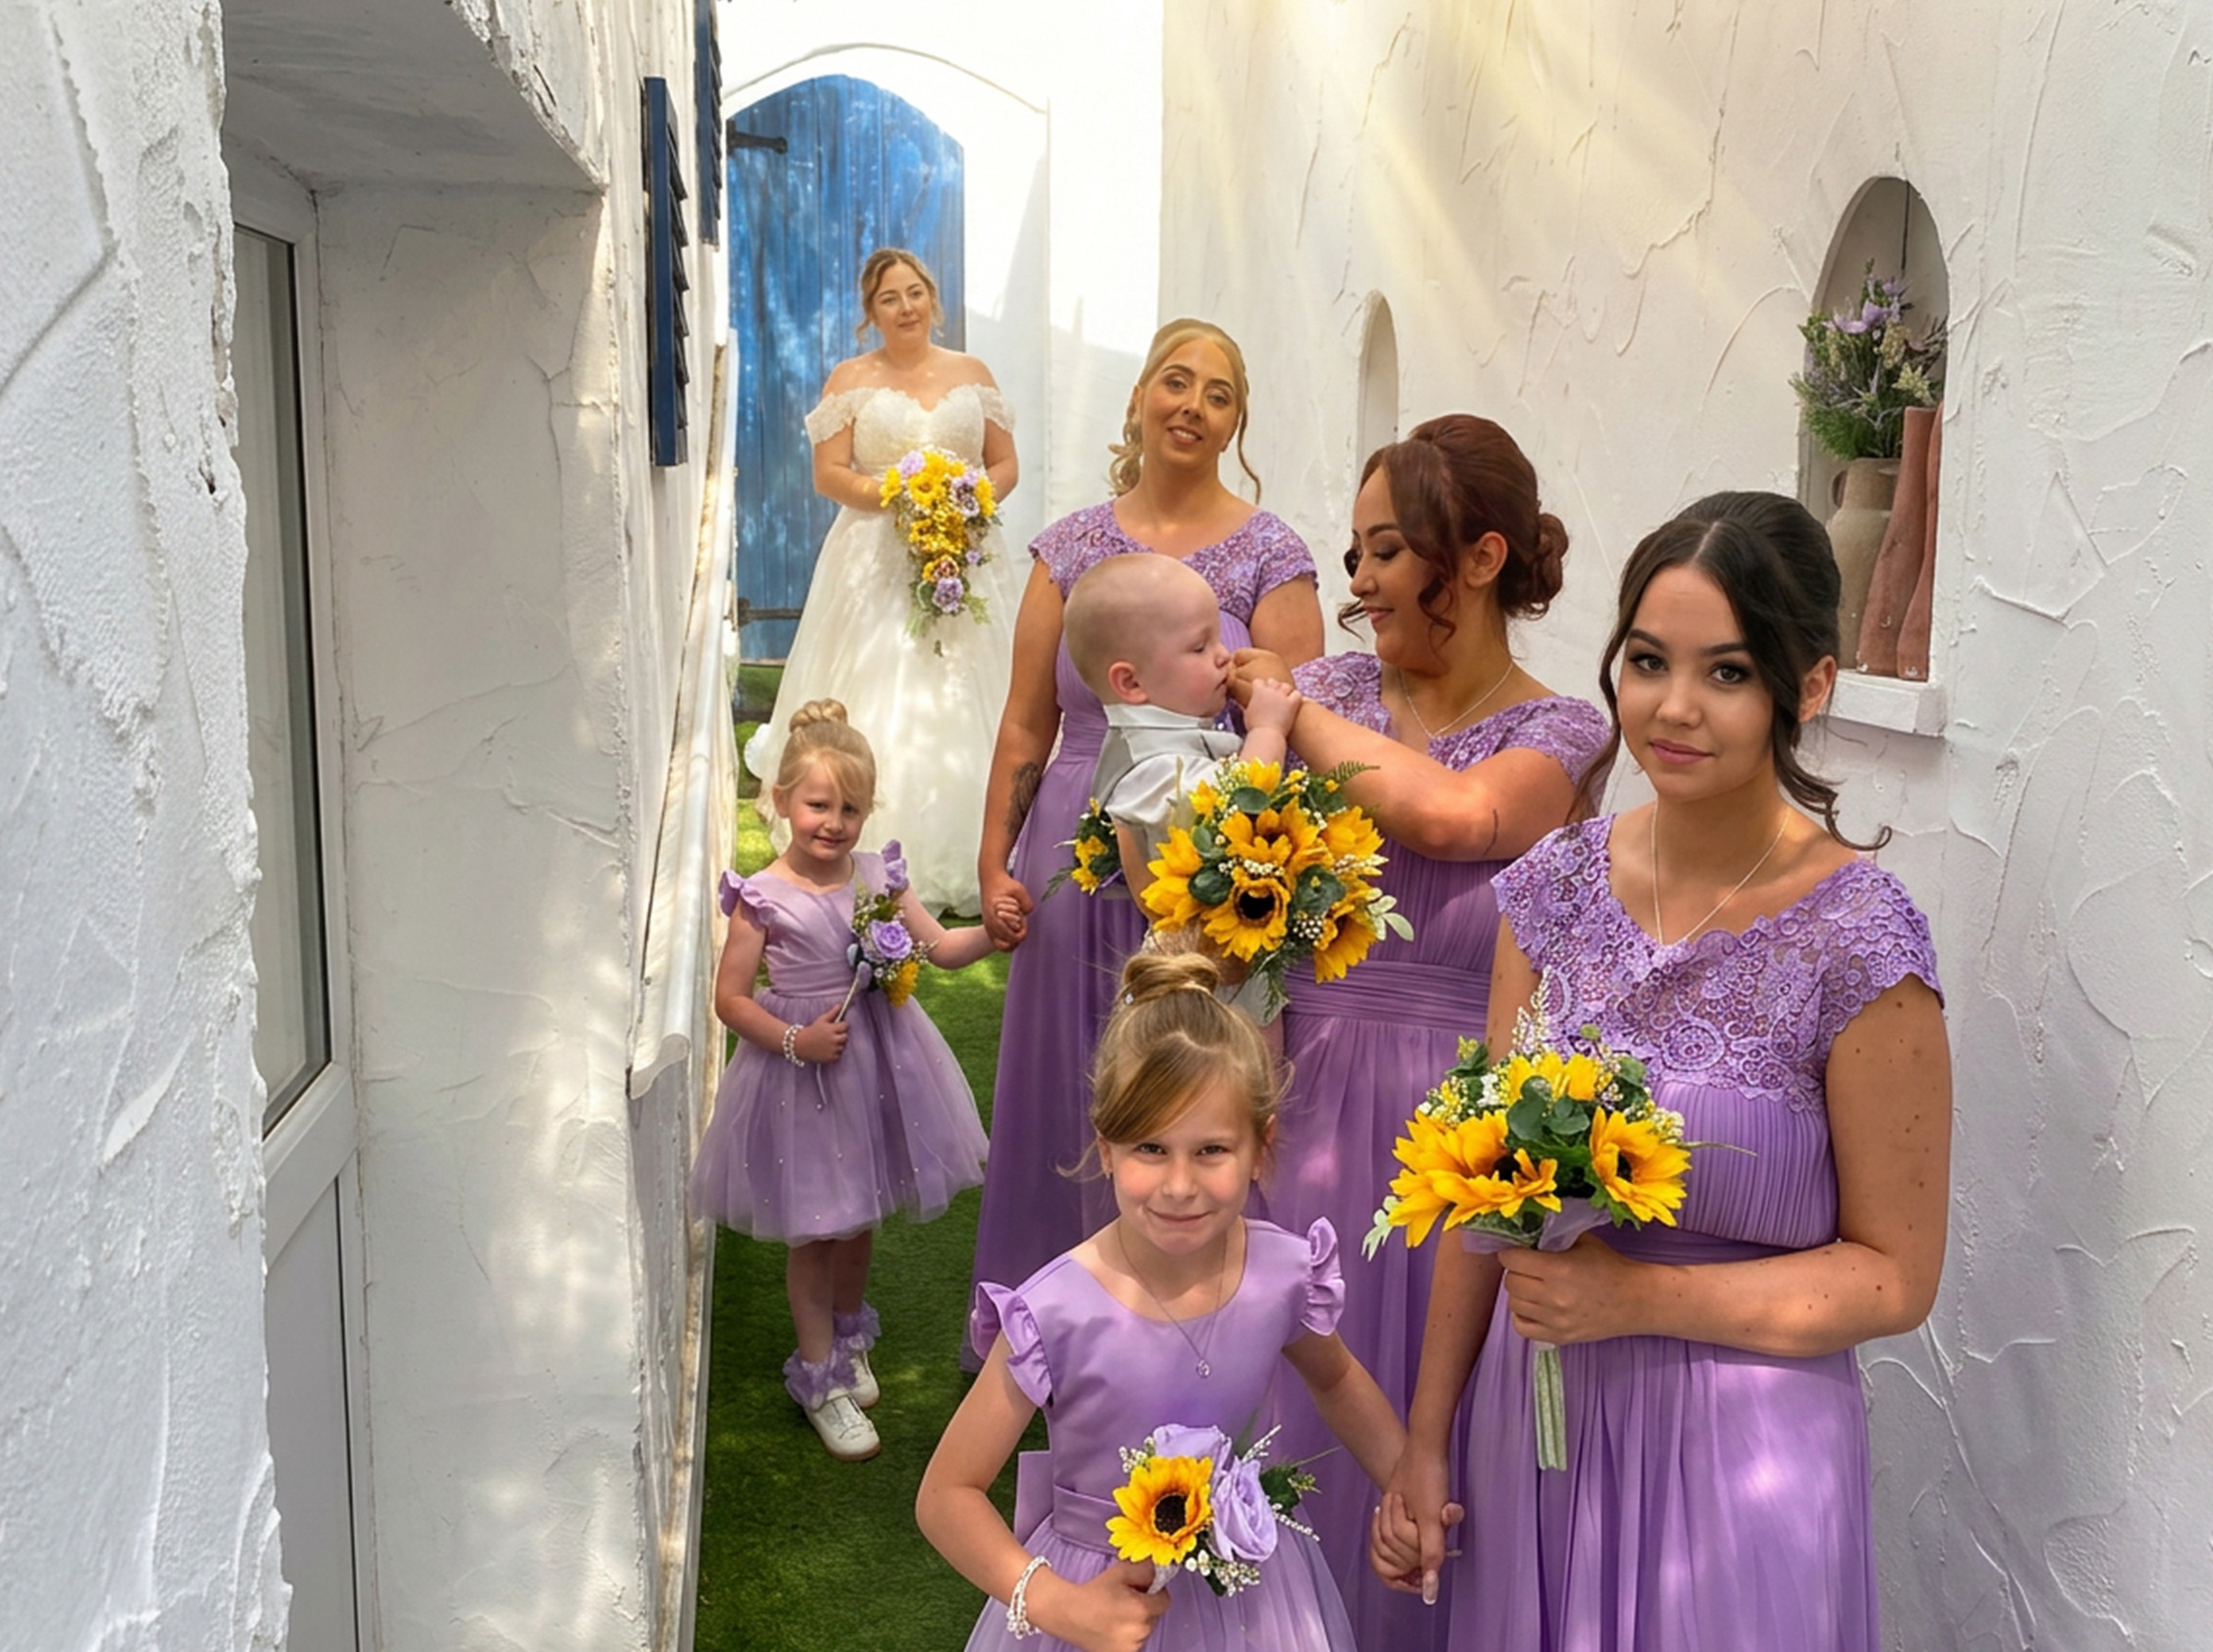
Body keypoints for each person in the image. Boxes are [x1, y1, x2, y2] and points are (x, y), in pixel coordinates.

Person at [1371, 492, 1951, 1651]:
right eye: (1647, 661)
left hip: (1745, 1454)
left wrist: (1641, 1299)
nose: (1675, 708)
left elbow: (1897, 1278)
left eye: (1727, 673)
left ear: (1811, 686)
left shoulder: (1863, 942)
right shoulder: (1554, 885)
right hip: (1535, 1426)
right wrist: (1424, 1435)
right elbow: (1475, 1179)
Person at [1234, 415, 1610, 1647]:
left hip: (1457, 1145)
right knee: (1288, 1413)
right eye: (1353, 554)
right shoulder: (1336, 689)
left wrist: (1289, 712)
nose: (1357, 584)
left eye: (1386, 552)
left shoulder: (1561, 733)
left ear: (1483, 558)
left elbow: (1455, 820)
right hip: (1302, 1102)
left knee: (1426, 1439)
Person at [966, 320, 1323, 1326]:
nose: (1193, 406)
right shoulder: (1072, 545)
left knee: (1197, 1080)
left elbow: (1299, 724)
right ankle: (1051, 1325)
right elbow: (1026, 719)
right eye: (1176, 381)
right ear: (1138, 399)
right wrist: (995, 860)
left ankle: (1196, 1320)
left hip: (1213, 857)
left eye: (1219, 394)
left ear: (1235, 424)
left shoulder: (1272, 552)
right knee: (1071, 1077)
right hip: (1074, 853)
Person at [917, 948, 1408, 1652]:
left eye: (1210, 1150)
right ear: (1107, 1148)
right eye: (1151, 1148)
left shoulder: (1282, 1273)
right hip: (1092, 1602)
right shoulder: (1055, 1312)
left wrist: (1403, 1478)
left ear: (1259, 1148)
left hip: (1251, 1604)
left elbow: (1334, 1376)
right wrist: (1059, 1605)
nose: (1180, 1185)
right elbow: (947, 1495)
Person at [693, 701, 1005, 1462]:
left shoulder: (875, 875)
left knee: (859, 1215)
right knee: (816, 1224)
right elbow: (729, 998)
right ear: (781, 801)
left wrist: (994, 934)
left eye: (851, 809)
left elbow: (935, 947)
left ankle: (846, 1327)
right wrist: (795, 1038)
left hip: (875, 1064)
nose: (834, 823)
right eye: (818, 805)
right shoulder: (762, 896)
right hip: (802, 1076)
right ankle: (819, 1377)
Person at [750, 247, 1020, 915]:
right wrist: (902, 494)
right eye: (889, 298)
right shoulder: (850, 378)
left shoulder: (972, 373)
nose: (906, 307)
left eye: (915, 293)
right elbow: (830, 474)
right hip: (874, 554)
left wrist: (965, 500)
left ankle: (984, 837)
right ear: (871, 312)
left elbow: (1005, 463)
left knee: (971, 682)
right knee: (883, 681)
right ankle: (873, 833)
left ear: (933, 298)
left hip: (967, 551)